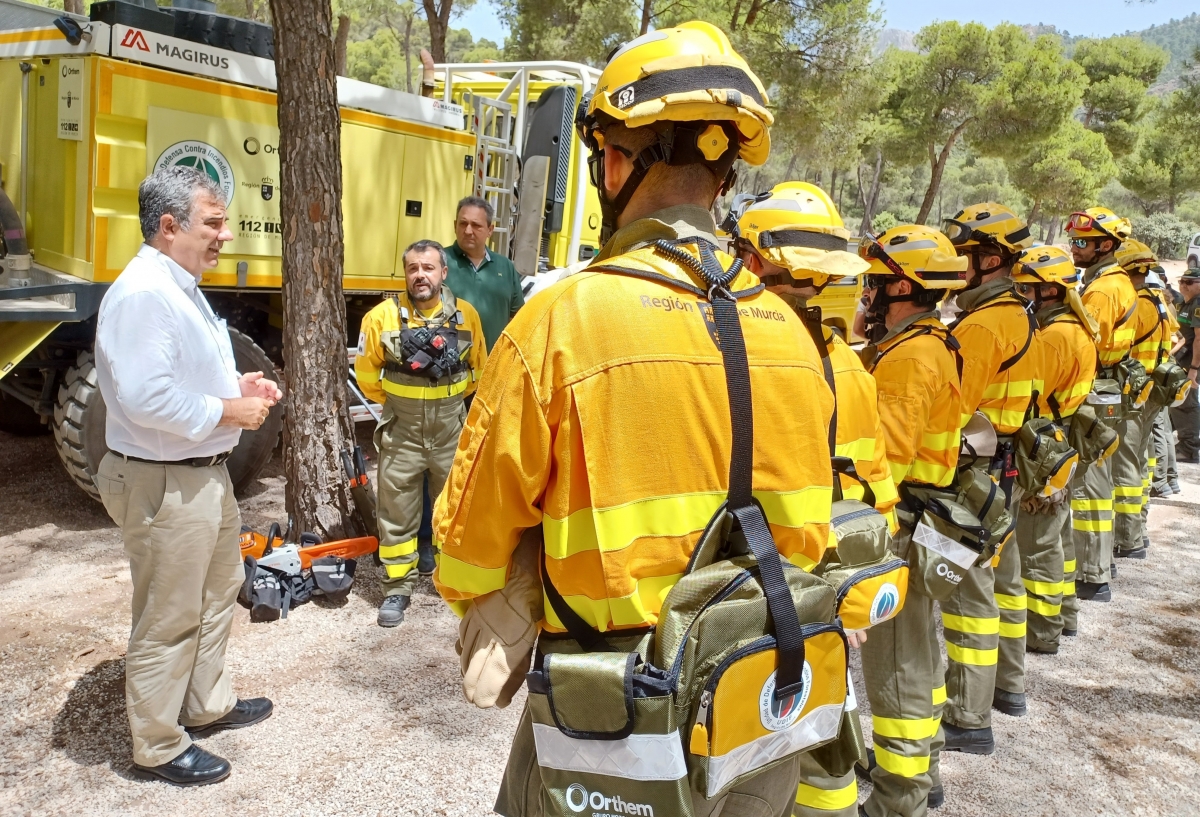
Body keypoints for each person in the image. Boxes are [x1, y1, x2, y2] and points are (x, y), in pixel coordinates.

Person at [434, 22, 838, 817]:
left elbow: (467, 553)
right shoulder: (796, 337)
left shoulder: (564, 322)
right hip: (762, 695)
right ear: (723, 173)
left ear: (617, 160)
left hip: (613, 717)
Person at [93, 166, 280, 786]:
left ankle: (204, 705)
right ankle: (158, 744)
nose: (225, 235)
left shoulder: (177, 284)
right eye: (214, 222)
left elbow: (180, 377)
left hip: (198, 475)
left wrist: (236, 386)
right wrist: (231, 410)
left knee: (216, 590)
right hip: (165, 481)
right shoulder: (147, 292)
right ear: (169, 226)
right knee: (169, 612)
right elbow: (147, 399)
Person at [731, 181, 900, 817]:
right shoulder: (850, 368)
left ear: (750, 259)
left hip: (745, 593)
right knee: (823, 743)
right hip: (824, 590)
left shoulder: (725, 350)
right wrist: (852, 601)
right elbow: (874, 490)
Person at [857, 225, 969, 817]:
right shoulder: (935, 343)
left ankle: (900, 797)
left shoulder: (906, 359)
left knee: (896, 663)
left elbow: (887, 463)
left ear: (903, 285)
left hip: (898, 526)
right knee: (921, 654)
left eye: (875, 284)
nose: (866, 296)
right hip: (924, 517)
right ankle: (921, 765)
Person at [938, 203, 1040, 750]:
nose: (958, 265)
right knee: (1005, 581)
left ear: (992, 258)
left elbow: (954, 406)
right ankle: (1009, 686)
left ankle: (968, 717)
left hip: (977, 471)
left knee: (969, 596)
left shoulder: (980, 325)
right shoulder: (1021, 313)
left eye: (966, 255)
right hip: (1005, 467)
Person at [355, 240, 487, 627]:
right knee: (396, 513)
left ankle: (451, 584)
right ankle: (397, 590)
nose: (420, 275)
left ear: (443, 273)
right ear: (406, 274)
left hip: (450, 431)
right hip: (402, 431)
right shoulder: (381, 318)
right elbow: (367, 376)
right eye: (413, 268)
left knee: (454, 511)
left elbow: (478, 370)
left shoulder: (466, 317)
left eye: (428, 268)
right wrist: (404, 403)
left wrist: (446, 401)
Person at [1010, 246, 1099, 651]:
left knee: (1037, 543)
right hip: (1062, 440)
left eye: (1026, 289)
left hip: (1044, 446)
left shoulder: (1055, 336)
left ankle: (1042, 631)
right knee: (1058, 539)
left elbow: (1033, 391)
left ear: (1047, 292)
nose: (1021, 296)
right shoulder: (1074, 328)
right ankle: (1064, 614)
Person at [1068, 207, 1136, 602]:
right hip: (1109, 385)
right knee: (1100, 478)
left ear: (1105, 246)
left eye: (1082, 242)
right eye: (1073, 240)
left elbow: (1082, 343)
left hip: (1095, 389)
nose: (1074, 248)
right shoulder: (1114, 281)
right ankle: (1101, 563)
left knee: (1090, 484)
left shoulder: (1102, 290)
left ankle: (1093, 575)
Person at [1113, 241, 1176, 559]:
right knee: (1138, 462)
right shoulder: (1161, 302)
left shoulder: (1137, 303)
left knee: (1124, 465)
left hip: (1135, 393)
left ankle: (1128, 538)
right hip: (1153, 392)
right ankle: (1138, 530)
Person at [444, 196, 526, 352]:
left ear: (490, 230)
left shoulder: (505, 267)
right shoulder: (439, 262)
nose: (468, 231)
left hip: (493, 367)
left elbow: (517, 319)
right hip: (449, 369)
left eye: (476, 225)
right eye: (463, 224)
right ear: (455, 226)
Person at [1171, 269, 1200, 463]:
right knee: (1177, 403)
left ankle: (1189, 449)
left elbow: (1199, 338)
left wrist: (1194, 370)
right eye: (1182, 281)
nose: (1183, 285)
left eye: (1189, 282)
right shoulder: (1187, 303)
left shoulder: (1198, 304)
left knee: (1187, 404)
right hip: (1182, 361)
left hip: (1191, 363)